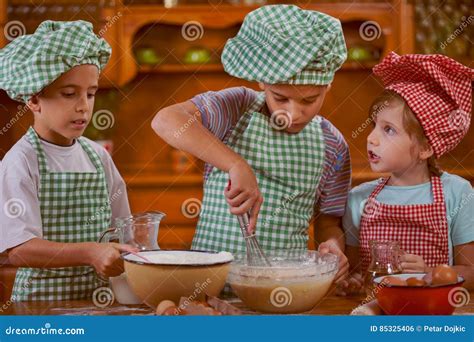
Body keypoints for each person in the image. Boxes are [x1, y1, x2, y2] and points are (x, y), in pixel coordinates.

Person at [152, 5, 351, 281]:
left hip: (283, 288)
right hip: (209, 284)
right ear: (262, 81)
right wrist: (235, 164)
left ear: (327, 85)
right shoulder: (237, 108)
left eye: (309, 100)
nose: (292, 114)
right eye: (280, 97)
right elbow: (165, 120)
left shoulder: (333, 145)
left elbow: (329, 222)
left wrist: (333, 246)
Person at [0, 20, 135, 301]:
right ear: (34, 99)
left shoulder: (97, 156)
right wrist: (90, 253)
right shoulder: (20, 161)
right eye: (69, 94)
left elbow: (124, 229)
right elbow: (18, 248)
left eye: (91, 93)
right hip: (41, 306)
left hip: (99, 301)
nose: (83, 106)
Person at [340, 52, 474, 293]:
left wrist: (430, 274)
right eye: (374, 126)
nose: (371, 139)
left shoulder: (457, 192)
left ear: (425, 148)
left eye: (388, 130)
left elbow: (471, 272)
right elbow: (354, 272)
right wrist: (351, 281)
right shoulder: (358, 199)